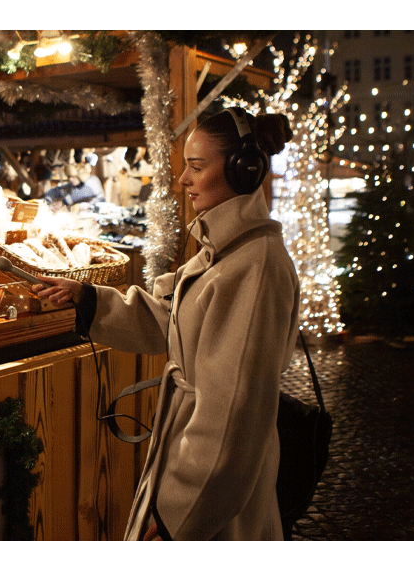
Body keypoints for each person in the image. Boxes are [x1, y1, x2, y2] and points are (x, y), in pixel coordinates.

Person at [34, 108, 298, 540]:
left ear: (241, 170)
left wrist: (178, 517)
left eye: (196, 166)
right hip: (192, 474)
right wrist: (87, 299)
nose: (183, 180)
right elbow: (169, 319)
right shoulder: (222, 250)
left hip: (216, 504)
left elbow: (230, 421)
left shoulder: (255, 266)